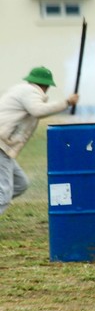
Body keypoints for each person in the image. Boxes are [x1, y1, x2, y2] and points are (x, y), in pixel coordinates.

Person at [0, 66, 79, 215]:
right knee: (4, 194)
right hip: (1, 145)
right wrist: (67, 102)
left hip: (4, 146)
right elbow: (38, 110)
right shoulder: (31, 92)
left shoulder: (22, 90)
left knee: (20, 184)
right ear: (47, 86)